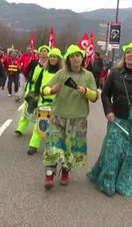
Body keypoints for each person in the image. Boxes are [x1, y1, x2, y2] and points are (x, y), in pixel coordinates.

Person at [87, 39, 132, 197]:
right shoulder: (115, 73)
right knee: (113, 150)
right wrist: (108, 111)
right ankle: (107, 181)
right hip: (117, 118)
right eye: (128, 52)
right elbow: (105, 94)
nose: (129, 55)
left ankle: (125, 183)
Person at [41, 44, 98, 189]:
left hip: (78, 119)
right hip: (58, 116)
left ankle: (66, 170)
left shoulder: (88, 75)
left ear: (82, 57)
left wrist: (86, 91)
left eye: (78, 55)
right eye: (72, 57)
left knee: (70, 148)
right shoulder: (61, 73)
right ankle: (49, 174)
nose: (75, 59)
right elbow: (44, 89)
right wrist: (51, 90)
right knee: (53, 145)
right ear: (67, 60)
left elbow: (95, 96)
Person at [27, 48, 64, 155]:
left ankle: (53, 147)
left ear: (59, 59)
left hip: (57, 103)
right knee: (39, 124)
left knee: (56, 126)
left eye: (55, 57)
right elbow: (38, 84)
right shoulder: (44, 70)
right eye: (51, 56)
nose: (53, 59)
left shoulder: (62, 73)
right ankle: (33, 145)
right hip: (43, 101)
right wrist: (36, 95)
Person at [14, 45, 49, 136]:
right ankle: (20, 128)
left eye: (46, 51)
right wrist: (29, 79)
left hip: (43, 91)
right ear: (39, 53)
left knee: (41, 110)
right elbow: (26, 71)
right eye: (42, 51)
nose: (44, 53)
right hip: (31, 89)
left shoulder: (50, 66)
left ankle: (39, 130)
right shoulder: (34, 63)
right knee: (26, 108)